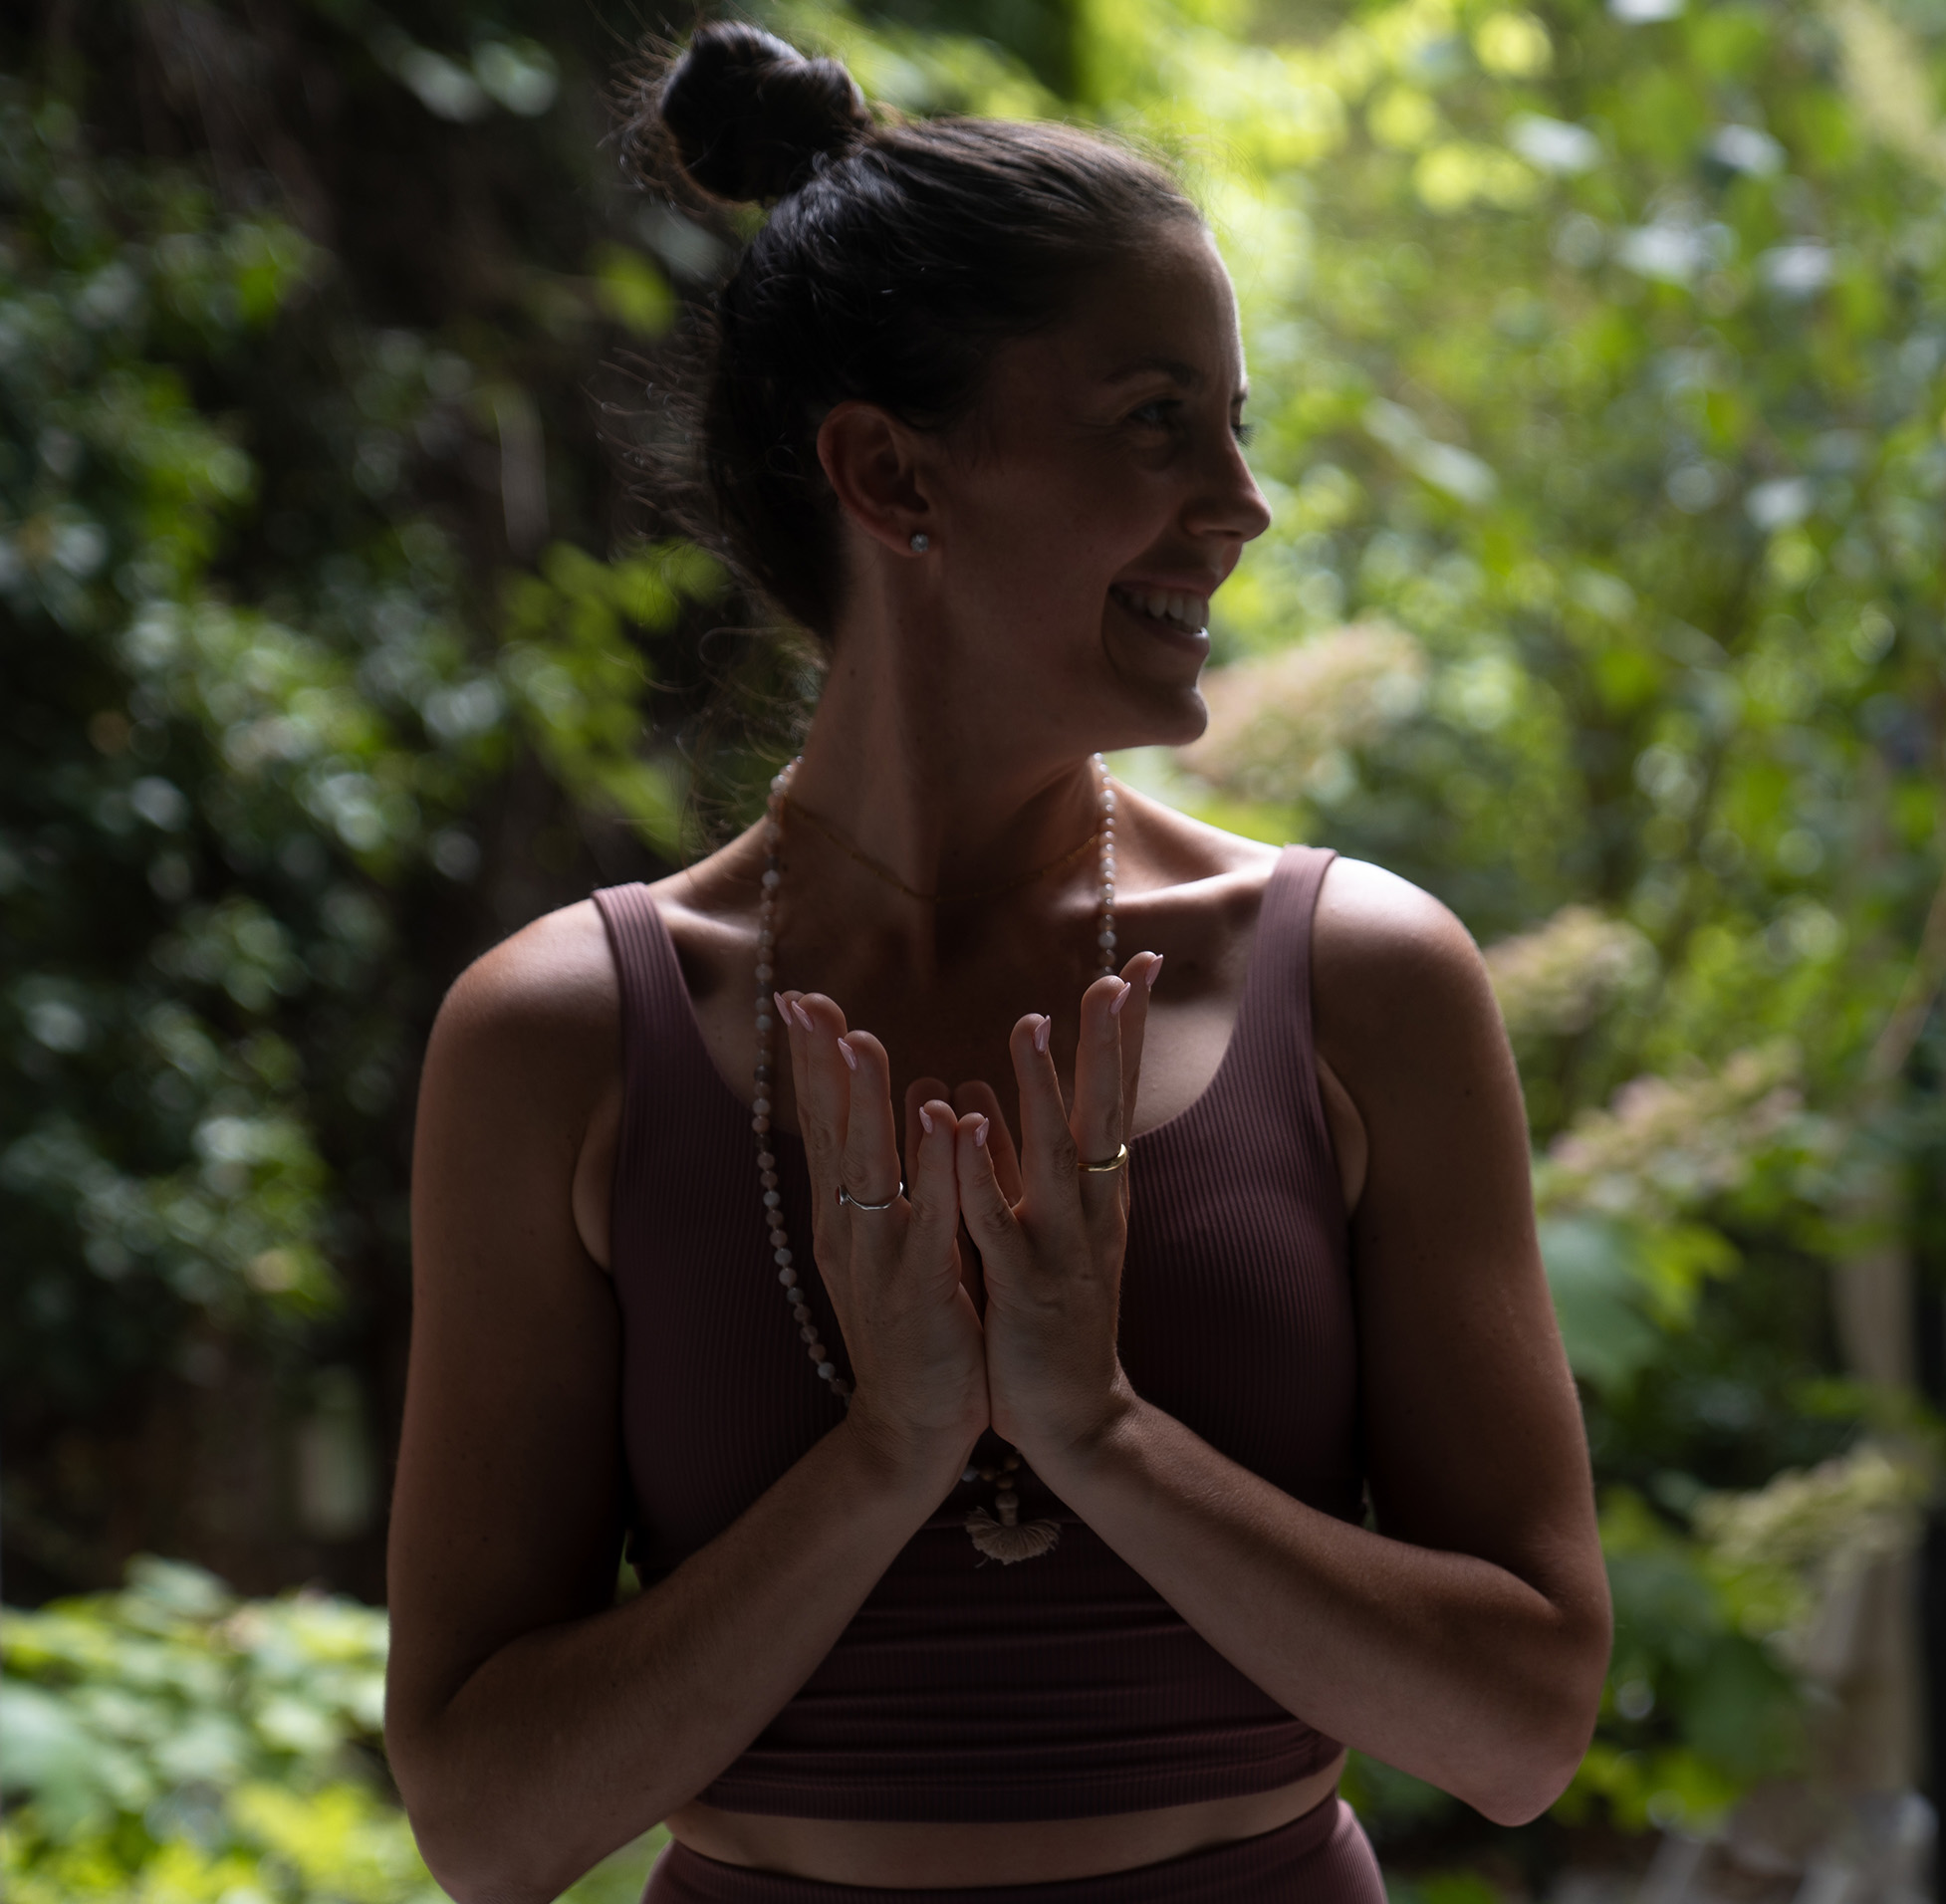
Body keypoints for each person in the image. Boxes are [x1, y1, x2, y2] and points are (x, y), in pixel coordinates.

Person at [380, 23, 1609, 1903]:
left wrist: (1099, 1434)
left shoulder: (1362, 980)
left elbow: (1520, 1732)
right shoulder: (564, 1038)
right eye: (1156, 422)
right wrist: (885, 1458)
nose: (1243, 501)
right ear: (891, 473)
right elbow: (487, 1826)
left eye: (1237, 423)